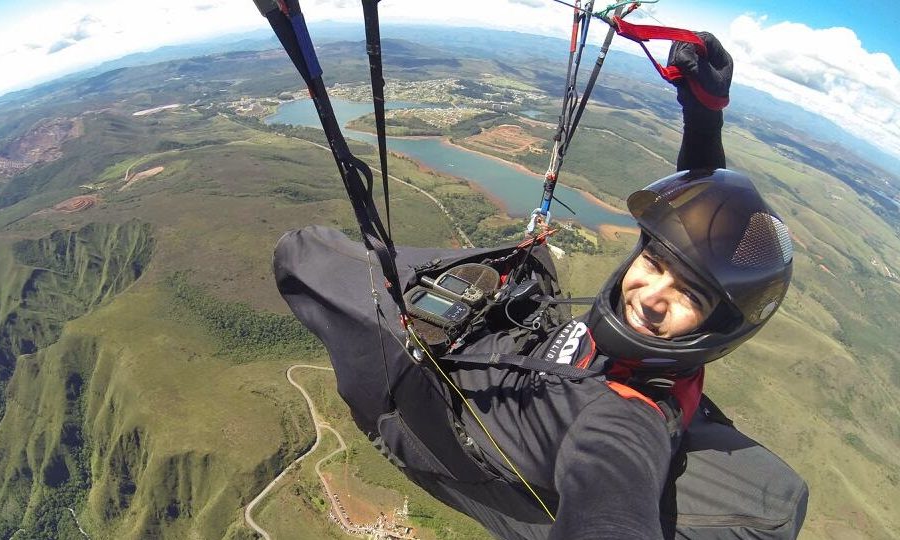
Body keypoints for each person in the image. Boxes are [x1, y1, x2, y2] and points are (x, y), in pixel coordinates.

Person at [274, 32, 807, 539]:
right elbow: (696, 229)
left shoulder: (627, 418)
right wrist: (704, 112)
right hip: (526, 347)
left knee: (302, 254)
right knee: (529, 263)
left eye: (689, 295)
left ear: (715, 329)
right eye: (655, 262)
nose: (650, 295)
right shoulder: (657, 349)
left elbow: (611, 496)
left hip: (441, 418)